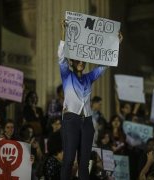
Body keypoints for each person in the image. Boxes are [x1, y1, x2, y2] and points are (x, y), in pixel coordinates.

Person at [58, 20, 123, 180]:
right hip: (71, 119)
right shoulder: (67, 76)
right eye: (77, 60)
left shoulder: (88, 78)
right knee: (68, 160)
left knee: (84, 162)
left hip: (87, 122)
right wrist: (64, 32)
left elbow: (104, 66)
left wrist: (117, 43)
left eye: (83, 60)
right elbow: (61, 57)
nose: (81, 62)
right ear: (72, 63)